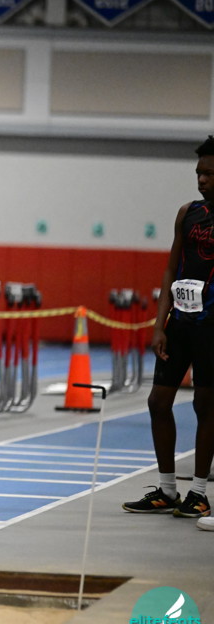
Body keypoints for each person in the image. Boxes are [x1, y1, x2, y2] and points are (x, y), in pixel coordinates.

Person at [123, 135, 214, 525]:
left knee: (206, 407)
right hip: (180, 323)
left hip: (212, 328)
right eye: (198, 173)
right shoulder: (187, 213)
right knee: (158, 402)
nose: (201, 179)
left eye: (209, 173)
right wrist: (159, 324)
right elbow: (170, 268)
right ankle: (166, 489)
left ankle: (199, 493)